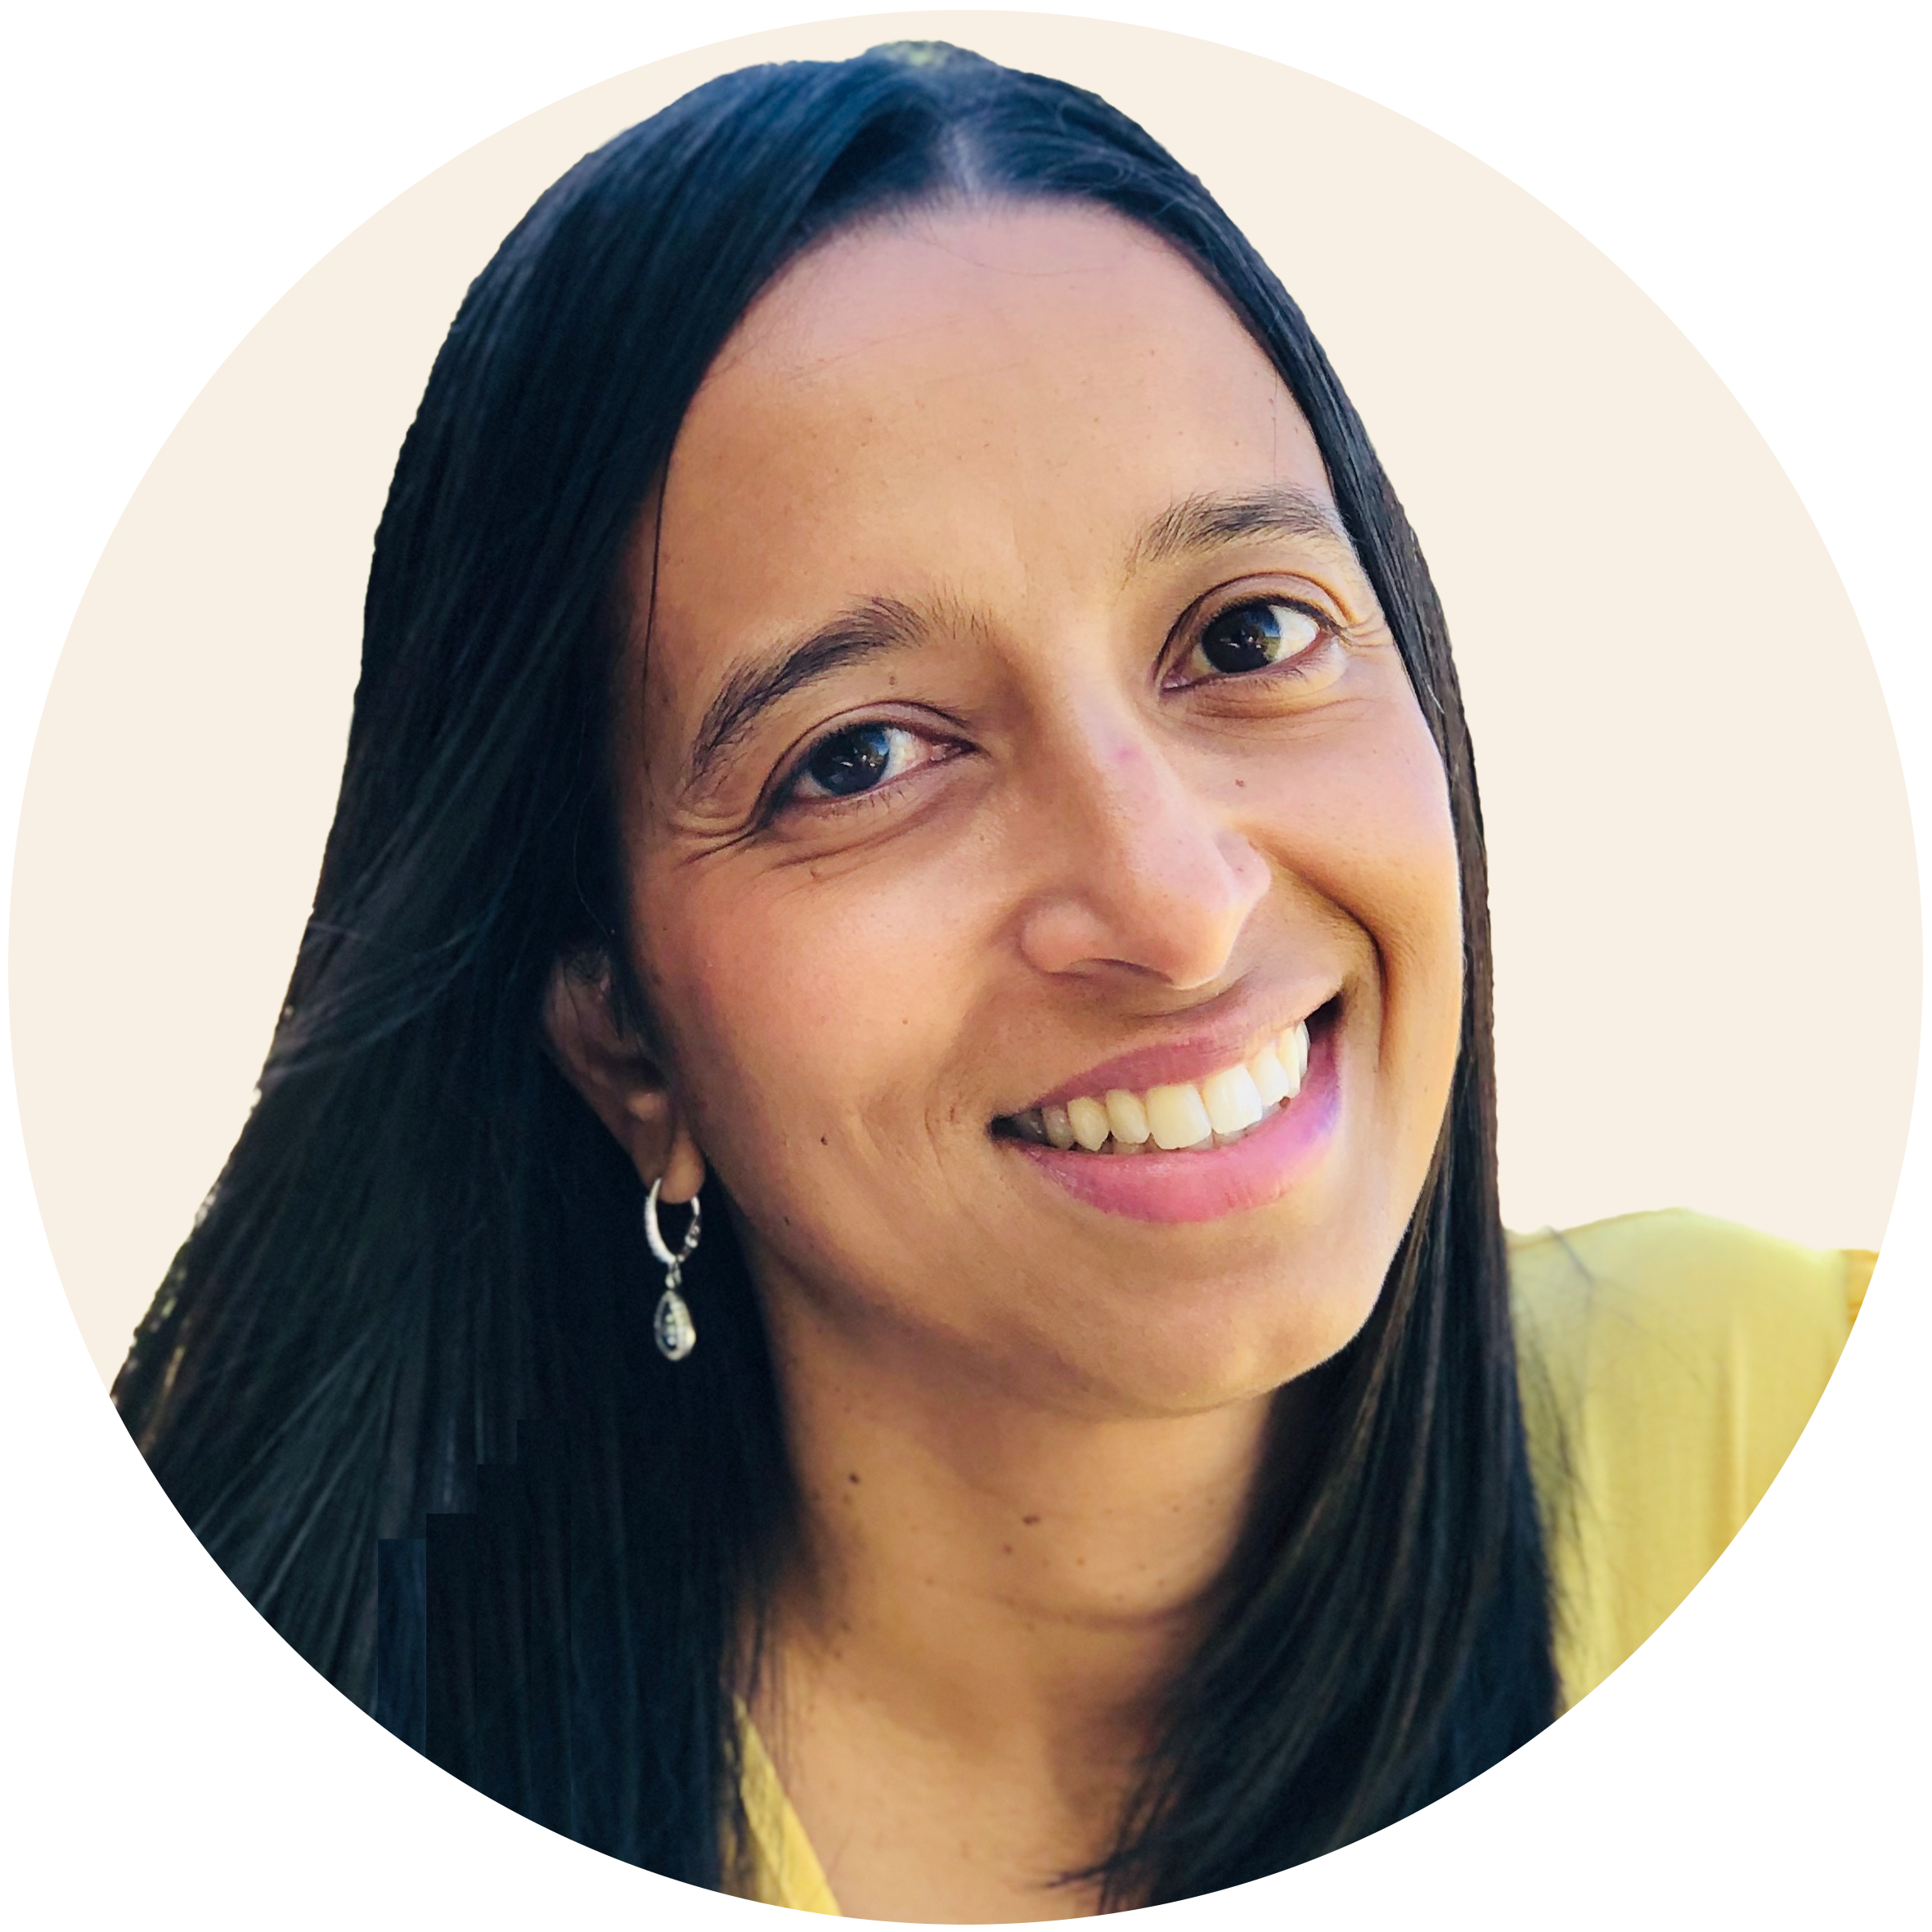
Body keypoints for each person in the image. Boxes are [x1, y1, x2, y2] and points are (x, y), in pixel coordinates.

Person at [8, 41, 1919, 1925]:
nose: (1173, 902)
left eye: (1245, 632)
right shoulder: (132, 1823)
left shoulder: (1792, 1544)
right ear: (618, 1033)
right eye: (858, 757)